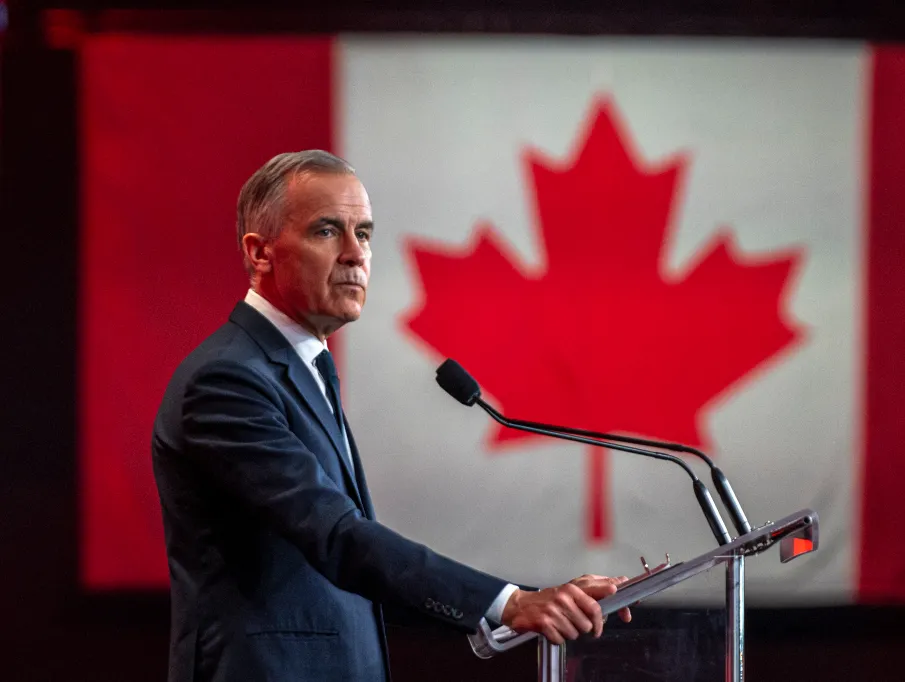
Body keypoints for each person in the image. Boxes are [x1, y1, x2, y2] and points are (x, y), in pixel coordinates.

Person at [151, 150, 630, 682]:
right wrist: (510, 602)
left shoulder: (302, 366)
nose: (356, 254)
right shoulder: (226, 381)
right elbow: (336, 536)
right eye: (328, 231)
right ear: (260, 253)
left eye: (366, 233)